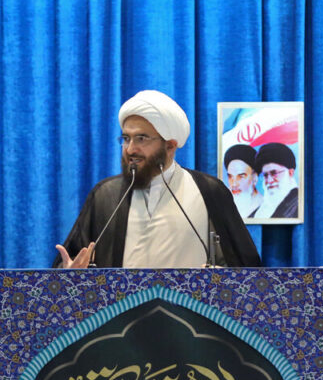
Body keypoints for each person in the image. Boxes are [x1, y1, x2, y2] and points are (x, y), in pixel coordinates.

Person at [54, 90, 261, 268]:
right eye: (126, 138)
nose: (130, 149)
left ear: (170, 146)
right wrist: (70, 275)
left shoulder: (209, 190)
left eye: (141, 139)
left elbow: (246, 270)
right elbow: (71, 263)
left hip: (189, 304)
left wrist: (222, 278)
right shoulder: (105, 195)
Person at [253, 142, 299, 219]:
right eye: (265, 175)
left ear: (290, 173)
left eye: (274, 173)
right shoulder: (261, 210)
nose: (269, 180)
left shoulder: (299, 203)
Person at [223, 143, 262, 218]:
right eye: (230, 176)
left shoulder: (265, 208)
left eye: (241, 176)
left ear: (255, 178)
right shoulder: (225, 208)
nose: (234, 184)